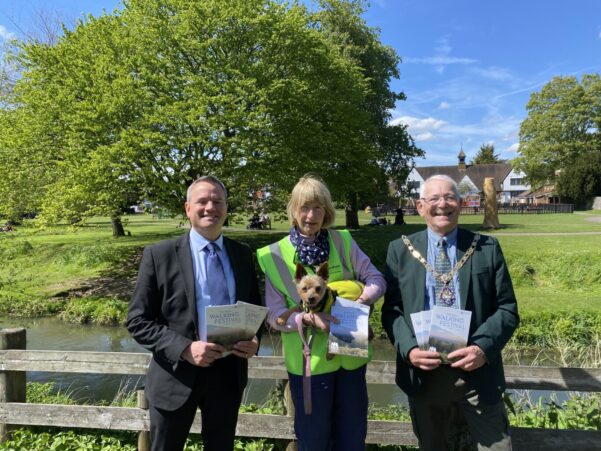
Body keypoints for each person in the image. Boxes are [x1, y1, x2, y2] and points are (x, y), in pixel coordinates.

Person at [381, 174, 519, 451]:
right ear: (421, 207)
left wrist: (482, 348)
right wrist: (408, 350)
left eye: (449, 197)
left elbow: (507, 309)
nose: (442, 204)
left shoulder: (486, 248)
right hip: (424, 375)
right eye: (433, 198)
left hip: (478, 372)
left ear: (461, 203)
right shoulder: (400, 250)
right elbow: (392, 311)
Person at [126, 176, 261, 451]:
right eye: (202, 201)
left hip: (227, 375)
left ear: (226, 208)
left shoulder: (242, 254)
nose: (210, 207)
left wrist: (254, 340)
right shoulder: (159, 255)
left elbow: (255, 310)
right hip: (175, 375)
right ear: (188, 208)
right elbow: (137, 320)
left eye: (217, 201)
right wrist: (186, 348)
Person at [256, 174, 385, 451]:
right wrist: (307, 318)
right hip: (309, 368)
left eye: (318, 207)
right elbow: (274, 315)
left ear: (327, 211)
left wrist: (361, 301)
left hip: (351, 359)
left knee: (351, 440)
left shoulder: (343, 242)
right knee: (313, 442)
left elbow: (376, 278)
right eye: (304, 207)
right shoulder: (274, 254)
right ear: (293, 210)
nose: (311, 215)